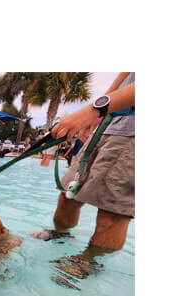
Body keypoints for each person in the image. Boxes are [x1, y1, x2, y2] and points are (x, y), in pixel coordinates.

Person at [33, 72, 136, 281]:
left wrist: (95, 108)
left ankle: (90, 260)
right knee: (67, 195)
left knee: (111, 213)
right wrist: (101, 112)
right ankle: (60, 233)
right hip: (110, 121)